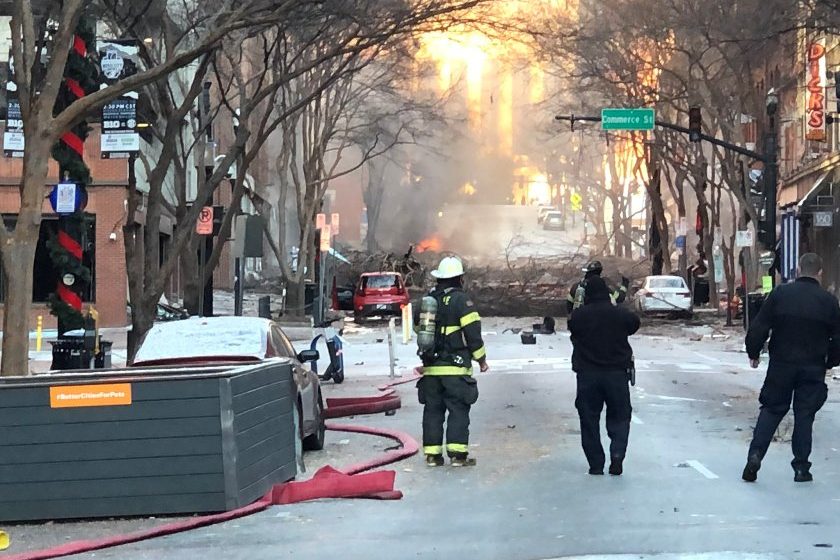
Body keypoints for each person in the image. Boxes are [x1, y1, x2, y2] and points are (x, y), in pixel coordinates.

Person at [742, 253, 840, 483]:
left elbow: (759, 326)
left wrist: (753, 352)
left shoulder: (780, 295)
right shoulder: (828, 302)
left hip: (781, 365)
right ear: (820, 273)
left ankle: (755, 455)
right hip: (813, 366)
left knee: (772, 410)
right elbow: (838, 338)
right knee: (804, 415)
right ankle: (801, 467)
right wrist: (830, 361)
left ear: (797, 270)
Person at [416, 256, 488, 467]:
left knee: (433, 411)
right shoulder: (462, 301)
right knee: (457, 410)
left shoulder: (429, 301)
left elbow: (420, 330)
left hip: (431, 369)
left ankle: (432, 455)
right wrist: (481, 360)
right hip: (455, 369)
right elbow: (473, 333)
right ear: (459, 278)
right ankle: (457, 456)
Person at [568, 276, 640, 476]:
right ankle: (617, 454)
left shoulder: (579, 316)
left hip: (587, 376)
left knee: (589, 420)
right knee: (620, 417)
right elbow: (634, 323)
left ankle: (596, 464)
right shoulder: (620, 314)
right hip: (616, 375)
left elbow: (572, 327)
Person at [566, 260, 630, 315]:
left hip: (579, 323)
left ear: (587, 272)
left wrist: (572, 322)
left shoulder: (576, 287)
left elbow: (569, 305)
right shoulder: (604, 288)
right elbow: (619, 298)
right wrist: (625, 284)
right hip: (597, 322)